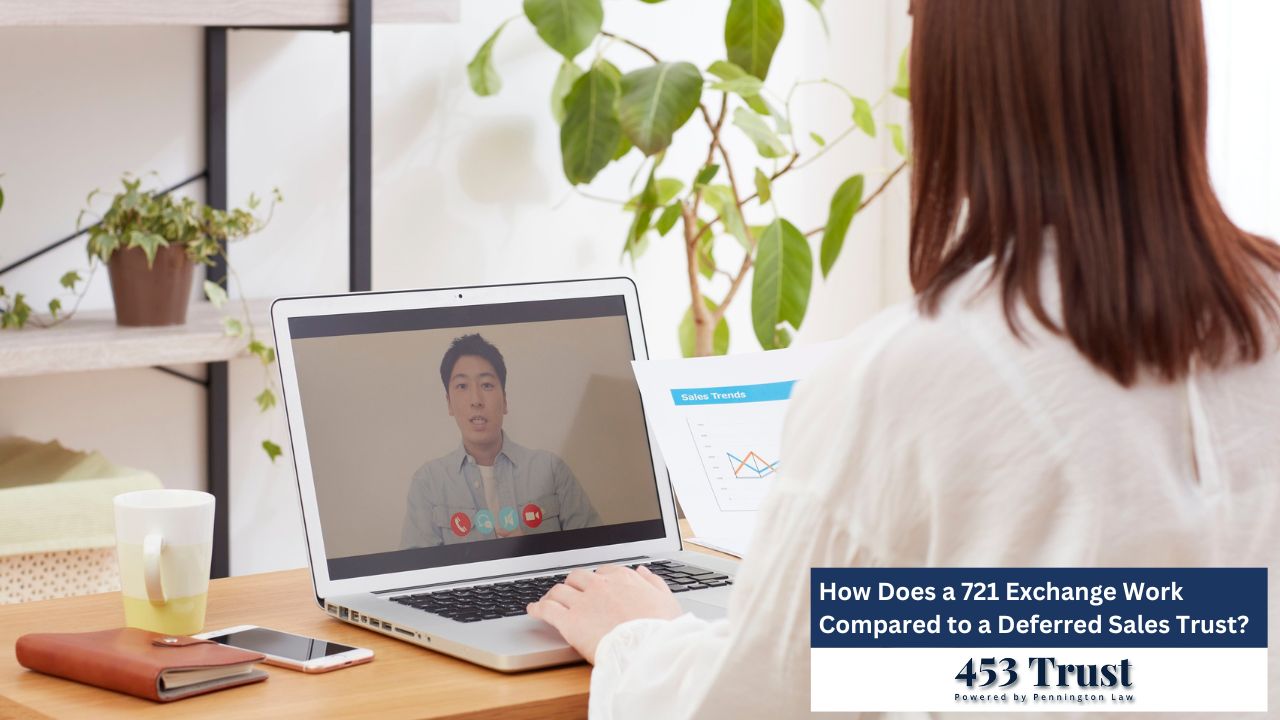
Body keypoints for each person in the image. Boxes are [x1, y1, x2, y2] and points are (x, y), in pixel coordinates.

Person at [525, 0, 1280, 717]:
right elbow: (1160, 640)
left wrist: (637, 635)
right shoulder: (1266, 304)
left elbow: (756, 706)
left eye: (918, 16)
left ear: (970, 64)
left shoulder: (913, 374)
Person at [401, 333, 600, 548]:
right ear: (449, 403)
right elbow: (422, 575)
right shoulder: (428, 483)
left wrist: (531, 552)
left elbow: (595, 554)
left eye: (486, 385)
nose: (476, 400)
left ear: (504, 400)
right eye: (462, 386)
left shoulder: (551, 469)